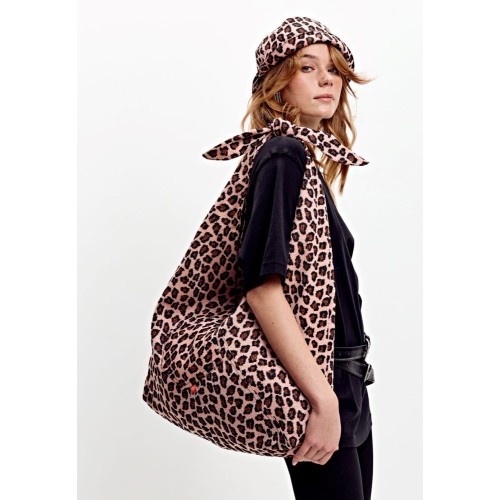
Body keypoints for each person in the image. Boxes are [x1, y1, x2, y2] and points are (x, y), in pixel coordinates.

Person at [236, 17, 375, 500]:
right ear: (277, 83)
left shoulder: (305, 162)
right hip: (321, 385)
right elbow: (262, 289)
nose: (327, 80)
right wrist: (322, 400)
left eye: (333, 70)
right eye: (308, 67)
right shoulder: (283, 156)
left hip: (348, 380)